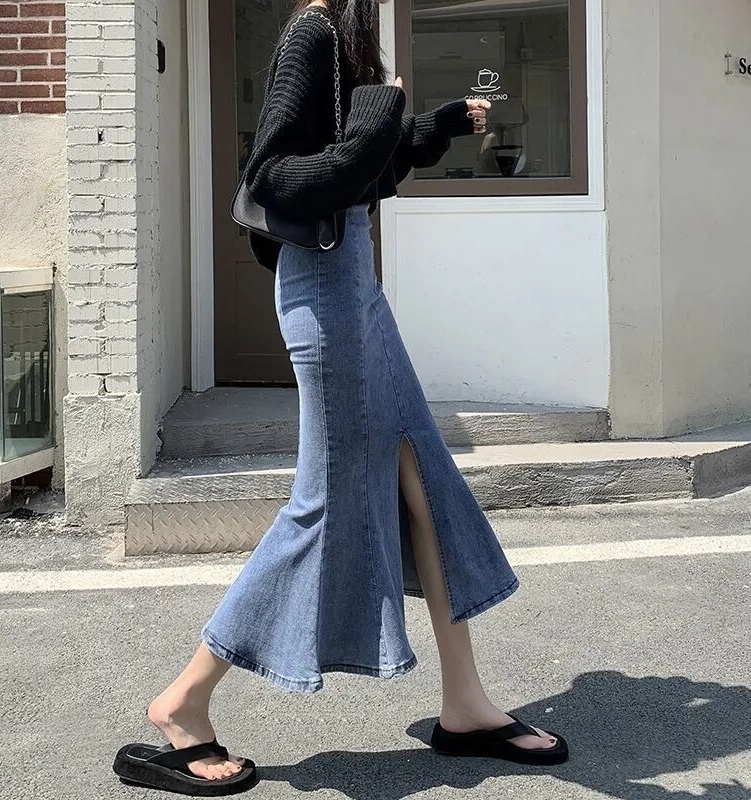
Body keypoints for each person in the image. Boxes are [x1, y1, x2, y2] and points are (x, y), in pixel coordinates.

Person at [113, 0, 568, 794]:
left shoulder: (341, 40)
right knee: (323, 502)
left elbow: (359, 173)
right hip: (325, 289)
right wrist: (380, 112)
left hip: (354, 280)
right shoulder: (313, 33)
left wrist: (427, 128)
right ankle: (182, 701)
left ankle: (465, 703)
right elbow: (276, 177)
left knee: (423, 475)